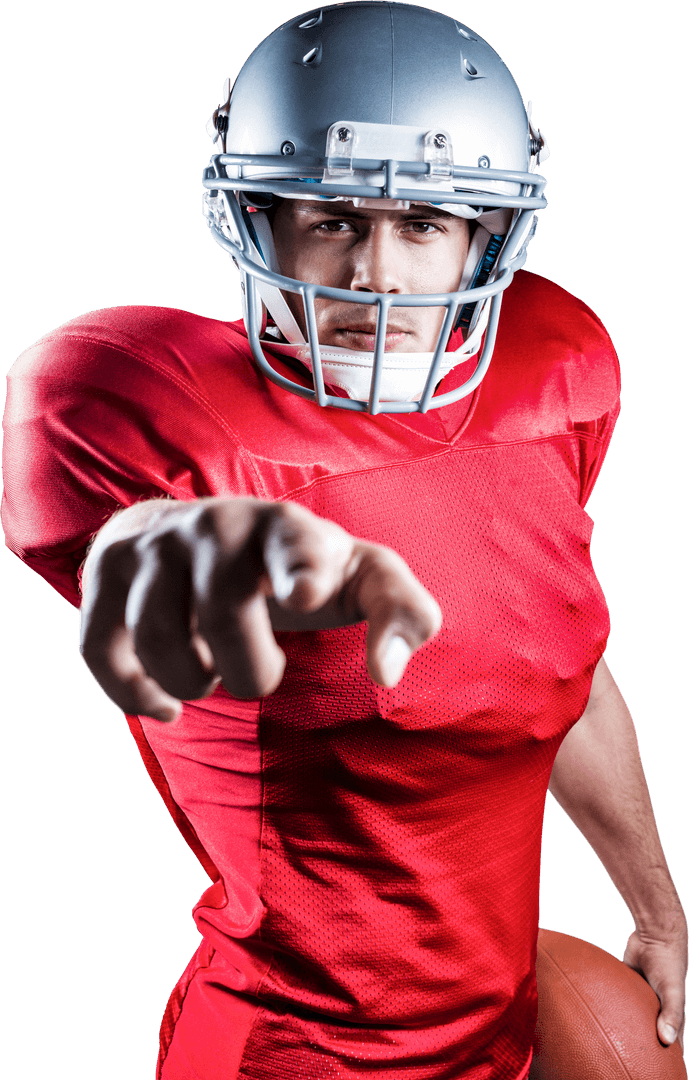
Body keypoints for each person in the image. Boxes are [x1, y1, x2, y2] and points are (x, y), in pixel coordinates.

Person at [2, 3, 686, 1078]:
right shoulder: (157, 410)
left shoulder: (550, 383)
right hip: (289, 1053)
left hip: (500, 1035)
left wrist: (657, 909)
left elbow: (566, 670)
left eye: (422, 222)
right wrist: (168, 541)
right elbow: (143, 542)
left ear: (486, 234)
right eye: (330, 219)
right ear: (256, 222)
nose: (376, 274)